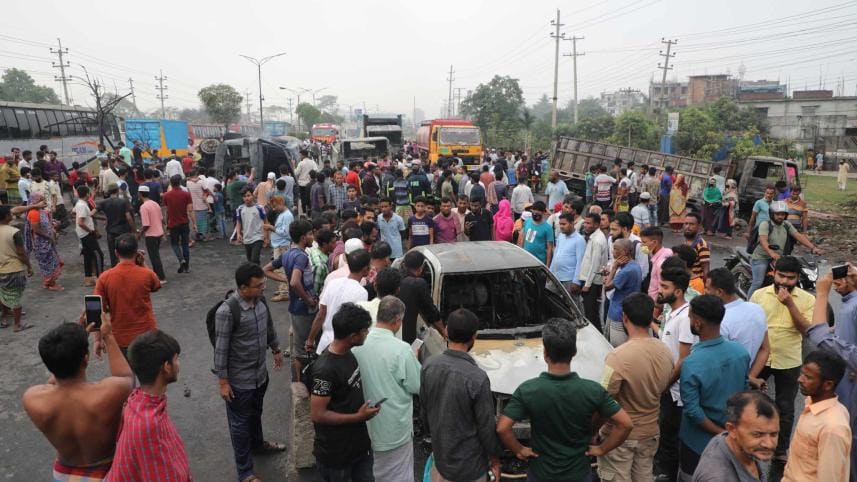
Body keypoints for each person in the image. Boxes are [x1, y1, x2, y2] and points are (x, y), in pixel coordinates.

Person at [498, 318, 634, 482]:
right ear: (574, 351)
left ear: (545, 354)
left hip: (541, 474)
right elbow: (626, 424)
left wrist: (519, 449)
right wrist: (602, 449)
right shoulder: (592, 390)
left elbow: (503, 428)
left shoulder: (528, 390)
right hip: (578, 474)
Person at [22, 315, 133, 482]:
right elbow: (127, 378)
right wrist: (108, 336)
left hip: (63, 475)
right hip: (106, 472)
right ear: (86, 359)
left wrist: (70, 345)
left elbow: (55, 376)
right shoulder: (109, 393)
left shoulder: (32, 398)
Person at [214, 263, 285, 482]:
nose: (263, 288)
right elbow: (221, 349)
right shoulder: (227, 311)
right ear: (243, 288)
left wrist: (276, 348)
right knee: (239, 426)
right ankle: (245, 472)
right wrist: (223, 382)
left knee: (255, 415)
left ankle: (258, 444)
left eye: (263, 284)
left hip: (259, 376)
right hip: (239, 382)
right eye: (258, 286)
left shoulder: (260, 300)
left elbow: (269, 326)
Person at [595, 293, 674, 481]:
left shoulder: (617, 357)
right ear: (650, 318)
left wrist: (592, 432)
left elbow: (604, 402)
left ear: (625, 318)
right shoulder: (665, 351)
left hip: (619, 438)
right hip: (650, 432)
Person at [749, 255, 815, 479]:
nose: (785, 282)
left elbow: (806, 330)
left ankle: (780, 451)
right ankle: (748, 443)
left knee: (785, 408)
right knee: (750, 400)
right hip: (761, 358)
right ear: (773, 273)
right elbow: (751, 326)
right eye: (781, 276)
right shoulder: (759, 295)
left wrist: (790, 304)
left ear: (798, 278)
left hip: (788, 359)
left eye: (790, 278)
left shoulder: (806, 300)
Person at [421, 309, 502, 482]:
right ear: (474, 337)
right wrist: (494, 459)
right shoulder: (477, 377)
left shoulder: (429, 366)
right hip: (470, 469)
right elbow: (486, 427)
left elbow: (425, 413)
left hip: (441, 462)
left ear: (447, 331)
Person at [678, 295, 750, 479]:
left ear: (698, 323)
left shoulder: (692, 363)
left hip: (697, 444)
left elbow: (693, 411)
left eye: (689, 317)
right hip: (732, 439)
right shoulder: (740, 352)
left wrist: (721, 433)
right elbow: (744, 392)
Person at [106, 330, 191, 481]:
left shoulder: (136, 399)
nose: (179, 364)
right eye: (176, 359)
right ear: (166, 366)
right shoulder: (149, 424)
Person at [352, 297, 421, 481]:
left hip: (364, 424)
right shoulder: (402, 350)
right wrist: (414, 359)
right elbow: (417, 385)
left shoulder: (359, 344)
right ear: (397, 320)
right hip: (394, 428)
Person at [309, 302, 377, 481]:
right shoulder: (325, 370)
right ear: (353, 336)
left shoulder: (348, 352)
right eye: (364, 331)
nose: (367, 334)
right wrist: (358, 417)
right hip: (337, 457)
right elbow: (317, 414)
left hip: (360, 448)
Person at [653, 267, 698, 482]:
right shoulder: (671, 313)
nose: (659, 290)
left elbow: (684, 358)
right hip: (667, 387)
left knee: (671, 439)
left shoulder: (684, 319)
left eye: (664, 287)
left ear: (678, 291)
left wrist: (664, 384)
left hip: (675, 392)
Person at [262, 219, 318, 383]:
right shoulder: (301, 257)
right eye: (310, 234)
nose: (312, 237)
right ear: (303, 237)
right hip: (304, 309)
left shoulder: (287, 254)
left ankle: (298, 380)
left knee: (299, 346)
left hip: (295, 306)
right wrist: (307, 299)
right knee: (303, 349)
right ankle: (299, 382)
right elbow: (295, 282)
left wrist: (285, 280)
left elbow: (266, 270)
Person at [783, 350, 851, 482]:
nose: (799, 379)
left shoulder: (832, 428)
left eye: (808, 377)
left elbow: (830, 477)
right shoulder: (811, 403)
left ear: (828, 385)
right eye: (802, 373)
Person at [92, 234, 161, 354]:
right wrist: (143, 263)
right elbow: (156, 285)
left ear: (116, 253)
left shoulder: (104, 278)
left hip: (121, 338)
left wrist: (97, 339)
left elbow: (93, 310)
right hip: (148, 335)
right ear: (136, 252)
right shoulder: (146, 274)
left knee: (125, 372)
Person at [692, 391, 780, 482]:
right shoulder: (718, 477)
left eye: (774, 434)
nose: (769, 444)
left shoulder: (741, 448)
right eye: (757, 435)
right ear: (732, 430)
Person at [706, 268, 770, 383]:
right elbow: (765, 349)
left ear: (720, 292)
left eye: (708, 289)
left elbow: (717, 363)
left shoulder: (720, 321)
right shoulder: (758, 310)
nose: (705, 292)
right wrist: (750, 377)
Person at [748, 201, 820, 299]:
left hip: (779, 257)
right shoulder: (765, 224)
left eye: (782, 214)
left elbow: (798, 236)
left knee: (786, 277)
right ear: (772, 214)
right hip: (762, 257)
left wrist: (813, 247)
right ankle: (749, 302)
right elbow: (763, 241)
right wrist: (771, 253)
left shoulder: (786, 224)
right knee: (758, 282)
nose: (780, 216)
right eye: (778, 214)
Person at [307, 249, 371, 355]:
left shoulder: (333, 283)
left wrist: (310, 340)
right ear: (365, 269)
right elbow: (356, 323)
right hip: (342, 347)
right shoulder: (361, 292)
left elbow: (321, 314)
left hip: (324, 344)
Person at [397, 250, 446, 344]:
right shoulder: (418, 284)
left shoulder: (394, 277)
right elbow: (431, 311)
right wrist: (443, 332)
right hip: (406, 339)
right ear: (420, 268)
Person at [603, 239, 642, 347]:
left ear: (624, 252)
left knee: (616, 347)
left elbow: (606, 287)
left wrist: (614, 268)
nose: (612, 251)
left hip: (618, 314)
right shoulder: (634, 265)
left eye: (615, 249)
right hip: (623, 310)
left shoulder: (626, 271)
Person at [24, 192, 63, 291]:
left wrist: (53, 226)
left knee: (51, 261)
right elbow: (36, 230)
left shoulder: (41, 211)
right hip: (42, 244)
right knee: (47, 263)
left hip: (47, 242)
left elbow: (46, 223)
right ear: (35, 201)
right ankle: (51, 284)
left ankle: (48, 283)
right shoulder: (33, 212)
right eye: (41, 199)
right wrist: (49, 237)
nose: (44, 201)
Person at [578, 212, 608, 331]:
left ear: (596, 225)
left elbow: (595, 265)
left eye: (588, 223)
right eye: (585, 222)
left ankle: (596, 335)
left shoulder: (597, 240)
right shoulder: (594, 237)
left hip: (592, 283)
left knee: (591, 313)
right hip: (589, 281)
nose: (585, 225)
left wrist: (587, 284)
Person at [96, 183, 135, 267]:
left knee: (113, 255)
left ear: (109, 192)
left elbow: (92, 214)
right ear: (117, 190)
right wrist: (134, 231)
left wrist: (103, 218)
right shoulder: (123, 202)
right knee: (126, 253)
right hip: (123, 231)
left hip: (111, 232)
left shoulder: (103, 202)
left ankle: (115, 271)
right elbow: (128, 217)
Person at [74, 185, 105, 286]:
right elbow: (80, 222)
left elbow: (74, 213)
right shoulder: (83, 205)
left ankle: (88, 279)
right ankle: (100, 278)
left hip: (82, 234)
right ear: (87, 193)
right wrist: (91, 231)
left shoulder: (79, 203)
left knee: (87, 256)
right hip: (87, 234)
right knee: (98, 255)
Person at [550, 213, 585, 299]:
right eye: (560, 224)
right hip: (556, 276)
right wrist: (550, 272)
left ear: (572, 223)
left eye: (564, 224)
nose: (561, 226)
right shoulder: (561, 236)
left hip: (569, 279)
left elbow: (580, 261)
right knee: (552, 301)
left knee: (570, 306)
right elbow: (555, 255)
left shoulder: (579, 239)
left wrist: (576, 281)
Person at [162, 175, 193, 274]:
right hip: (184, 222)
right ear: (180, 182)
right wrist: (193, 222)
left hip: (173, 223)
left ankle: (181, 259)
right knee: (185, 245)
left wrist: (166, 223)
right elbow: (190, 209)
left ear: (171, 183)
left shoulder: (166, 195)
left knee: (174, 244)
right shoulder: (186, 194)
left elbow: (166, 211)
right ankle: (186, 266)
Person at [266, 196, 294, 302]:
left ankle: (284, 292)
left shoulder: (286, 216)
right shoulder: (283, 214)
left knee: (280, 269)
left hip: (283, 244)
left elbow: (287, 234)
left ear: (281, 203)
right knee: (280, 269)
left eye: (275, 206)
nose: (274, 209)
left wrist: (272, 228)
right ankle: (283, 289)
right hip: (280, 244)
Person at [137, 185, 166, 282]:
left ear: (140, 194)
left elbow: (146, 224)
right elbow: (162, 219)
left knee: (154, 257)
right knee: (156, 255)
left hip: (151, 235)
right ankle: (159, 275)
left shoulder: (144, 207)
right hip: (159, 233)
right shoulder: (155, 204)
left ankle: (160, 277)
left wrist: (140, 234)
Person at [642, 226, 674, 301]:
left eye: (644, 242)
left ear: (655, 242)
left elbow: (663, 288)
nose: (641, 245)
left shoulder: (661, 263)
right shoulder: (667, 252)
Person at [236, 188, 267, 265]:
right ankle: (255, 275)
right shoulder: (240, 208)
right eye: (244, 196)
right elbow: (238, 222)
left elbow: (266, 222)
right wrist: (238, 234)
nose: (246, 198)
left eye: (248, 195)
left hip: (258, 237)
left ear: (253, 195)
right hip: (246, 238)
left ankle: (259, 276)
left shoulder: (259, 208)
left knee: (254, 259)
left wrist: (266, 237)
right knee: (250, 261)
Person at [518, 201, 554, 265]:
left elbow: (549, 248)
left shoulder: (548, 228)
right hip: (526, 258)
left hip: (539, 262)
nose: (535, 214)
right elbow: (523, 238)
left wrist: (548, 265)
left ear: (543, 213)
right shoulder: (527, 222)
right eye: (533, 212)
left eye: (538, 212)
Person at [683, 212, 710, 282]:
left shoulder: (701, 245)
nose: (687, 227)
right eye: (686, 223)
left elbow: (706, 271)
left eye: (691, 224)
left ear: (699, 226)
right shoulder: (686, 241)